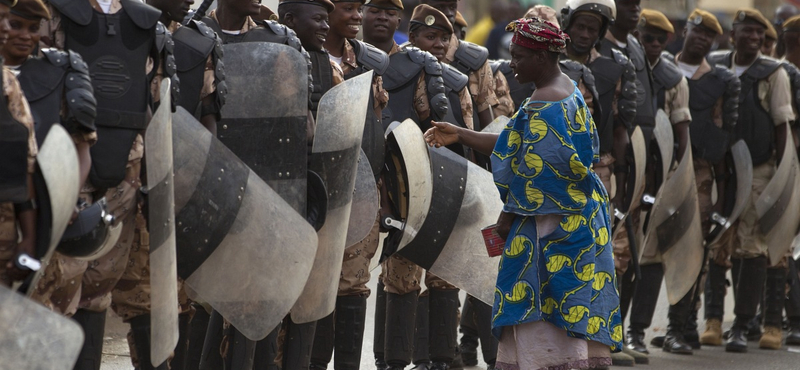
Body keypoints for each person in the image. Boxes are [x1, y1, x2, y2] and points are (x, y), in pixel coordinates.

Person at [424, 17, 622, 370]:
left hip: (550, 229)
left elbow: (536, 178)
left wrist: (506, 220)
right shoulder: (565, 89)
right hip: (577, 220)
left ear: (542, 57)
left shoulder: (545, 101)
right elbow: (519, 145)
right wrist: (460, 134)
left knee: (543, 313)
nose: (512, 63)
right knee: (570, 311)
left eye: (518, 56)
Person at [38, 0, 177, 368]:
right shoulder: (53, 14)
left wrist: (152, 173)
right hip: (63, 161)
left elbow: (155, 104)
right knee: (59, 283)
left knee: (99, 284)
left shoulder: (146, 23)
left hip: (126, 168)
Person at [702, 8, 796, 353]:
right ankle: (712, 320)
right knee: (717, 243)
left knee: (753, 245)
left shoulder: (774, 73)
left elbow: (782, 126)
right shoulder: (715, 65)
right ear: (733, 33)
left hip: (760, 169)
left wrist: (780, 177)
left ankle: (743, 325)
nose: (753, 38)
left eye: (760, 34)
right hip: (721, 169)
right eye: (747, 31)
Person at [6, 0, 96, 321]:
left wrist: (66, 201)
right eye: (15, 25)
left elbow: (80, 151)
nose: (24, 36)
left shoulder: (64, 70)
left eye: (33, 28)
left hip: (48, 218)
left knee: (45, 318)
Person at [623, 7, 693, 356]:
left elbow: (680, 134)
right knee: (623, 255)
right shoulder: (625, 63)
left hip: (659, 175)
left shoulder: (673, 78)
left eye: (658, 39)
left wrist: (668, 182)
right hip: (626, 172)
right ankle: (613, 334)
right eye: (645, 37)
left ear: (667, 41)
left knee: (647, 257)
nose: (650, 44)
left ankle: (636, 332)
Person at [0, 0, 38, 290]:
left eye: (6, 20)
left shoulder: (8, 85)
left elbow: (25, 164)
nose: (4, 29)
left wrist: (28, 238)